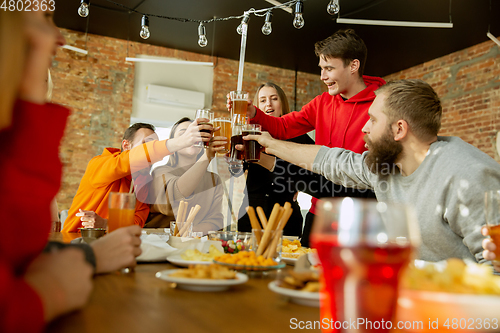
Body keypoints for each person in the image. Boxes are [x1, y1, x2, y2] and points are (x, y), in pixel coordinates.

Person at [245, 79, 500, 265]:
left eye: (373, 120)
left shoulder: (468, 176)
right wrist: (270, 143)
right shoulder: (386, 166)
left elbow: (494, 273)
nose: (364, 128)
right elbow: (331, 160)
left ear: (399, 129)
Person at [0, 10, 140, 332]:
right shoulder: (103, 163)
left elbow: (137, 224)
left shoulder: (141, 187)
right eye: (46, 17)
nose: (59, 38)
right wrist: (49, 292)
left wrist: (94, 255)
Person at [230, 29, 384, 246]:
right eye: (321, 69)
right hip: (319, 212)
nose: (322, 77)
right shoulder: (322, 102)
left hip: (359, 217)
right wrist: (254, 113)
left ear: (353, 66)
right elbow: (283, 126)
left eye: (329, 69)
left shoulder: (382, 103)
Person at [62, 119, 213, 232]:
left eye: (153, 146)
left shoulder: (143, 183)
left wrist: (106, 224)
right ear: (126, 146)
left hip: (111, 248)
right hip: (72, 242)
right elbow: (130, 160)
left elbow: (136, 223)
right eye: (146, 145)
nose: (152, 155)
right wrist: (179, 142)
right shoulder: (100, 164)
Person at [237, 83, 315, 237]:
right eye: (263, 100)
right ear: (257, 106)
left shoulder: (298, 136)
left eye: (274, 99)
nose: (269, 104)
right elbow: (237, 169)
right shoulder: (250, 134)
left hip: (286, 216)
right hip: (251, 213)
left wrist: (299, 183)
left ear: (282, 104)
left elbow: (314, 170)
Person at [146, 118, 225, 234]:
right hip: (158, 244)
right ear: (174, 143)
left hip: (195, 246)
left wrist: (189, 234)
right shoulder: (160, 172)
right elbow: (172, 200)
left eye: (197, 133)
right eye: (184, 134)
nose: (192, 137)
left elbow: (216, 222)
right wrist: (207, 157)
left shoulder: (214, 180)